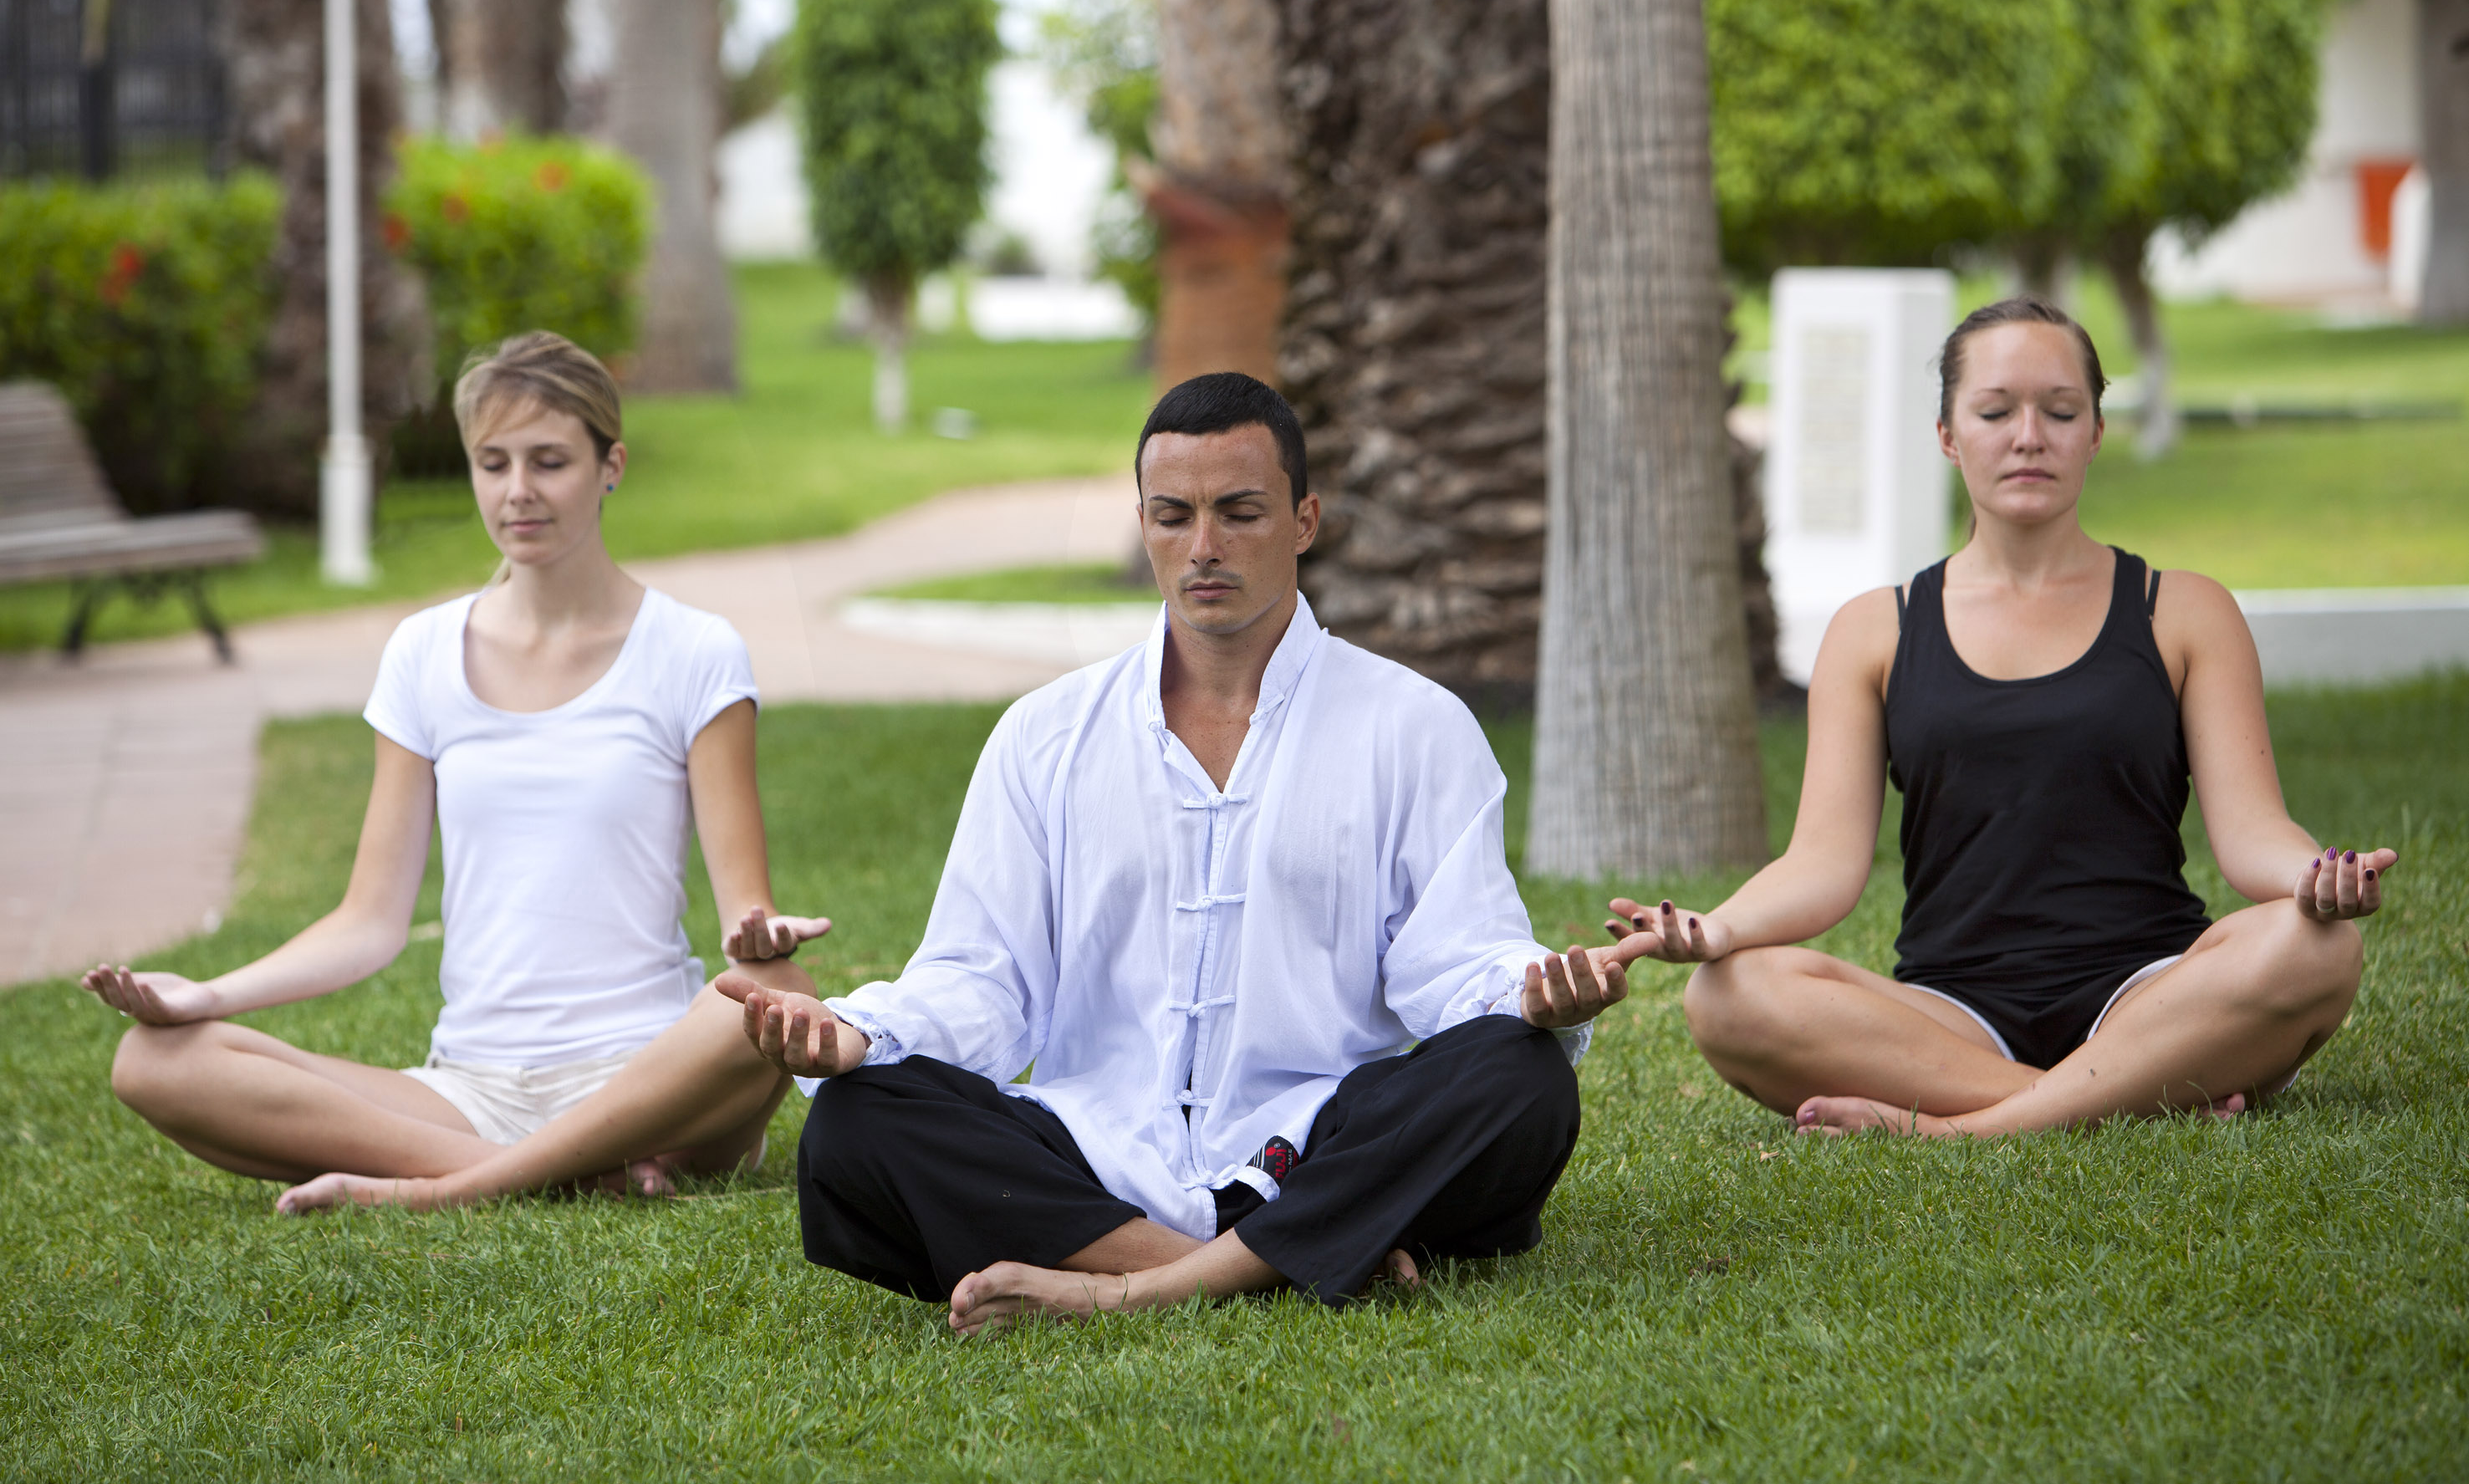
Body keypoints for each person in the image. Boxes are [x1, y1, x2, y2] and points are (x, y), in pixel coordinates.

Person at [722, 372, 1656, 1335]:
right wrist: (859, 1037)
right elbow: (982, 980)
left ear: (1304, 518)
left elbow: (1456, 958)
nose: (1202, 547)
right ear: (1142, 523)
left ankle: (1117, 1288)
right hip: (1092, 1152)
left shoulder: (1414, 725)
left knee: (1520, 1076)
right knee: (854, 1119)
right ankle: (1282, 1261)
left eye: (1238, 512)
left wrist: (1536, 992)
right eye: (1173, 516)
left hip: (1318, 1140)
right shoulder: (1045, 734)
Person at [1606, 297, 2395, 1138]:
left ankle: (1961, 1128)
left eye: (2060, 411)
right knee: (1727, 993)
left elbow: (2252, 834)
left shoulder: (2184, 611)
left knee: (2319, 946)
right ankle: (2129, 1091)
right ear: (1947, 434)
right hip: (1950, 1013)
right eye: (1994, 411)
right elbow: (1822, 863)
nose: (2029, 435)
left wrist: (2317, 878)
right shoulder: (1875, 629)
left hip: (2151, 989)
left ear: (2094, 431)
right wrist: (1719, 927)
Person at [83, 332, 831, 1209]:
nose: (518, 492)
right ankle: (546, 1171)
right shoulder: (423, 653)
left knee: (777, 993)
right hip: (469, 1091)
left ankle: (443, 1186)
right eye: (492, 462)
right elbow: (369, 920)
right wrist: (205, 993)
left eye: (549, 461)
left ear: (610, 464)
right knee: (153, 1059)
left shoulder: (695, 651)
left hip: (649, 1073)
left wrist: (759, 936)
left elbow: (750, 912)